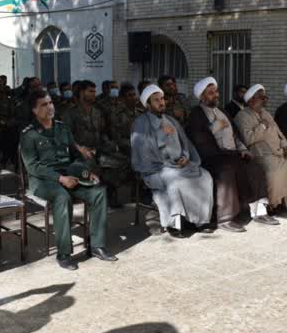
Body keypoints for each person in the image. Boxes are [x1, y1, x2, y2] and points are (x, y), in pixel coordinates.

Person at [20, 90, 116, 270]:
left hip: (68, 176)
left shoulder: (62, 128)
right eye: (44, 105)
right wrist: (60, 178)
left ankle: (97, 246)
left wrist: (86, 173)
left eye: (50, 103)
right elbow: (33, 167)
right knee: (62, 197)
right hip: (42, 181)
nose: (50, 107)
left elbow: (76, 155)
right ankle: (64, 254)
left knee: (98, 192)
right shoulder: (29, 134)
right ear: (34, 110)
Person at [187, 77, 274, 232]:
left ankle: (259, 211)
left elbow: (235, 136)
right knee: (226, 171)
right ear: (202, 96)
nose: (216, 95)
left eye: (216, 92)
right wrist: (214, 127)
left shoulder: (222, 111)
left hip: (232, 154)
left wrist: (243, 149)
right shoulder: (196, 114)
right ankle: (225, 218)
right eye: (211, 93)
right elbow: (198, 139)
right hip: (211, 157)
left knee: (256, 168)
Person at [131, 84, 214, 237]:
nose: (161, 102)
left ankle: (200, 220)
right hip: (156, 168)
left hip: (179, 165)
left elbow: (185, 143)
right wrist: (162, 135)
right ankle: (175, 224)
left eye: (162, 99)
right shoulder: (140, 124)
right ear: (147, 104)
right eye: (156, 100)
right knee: (176, 182)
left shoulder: (171, 120)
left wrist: (185, 156)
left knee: (205, 176)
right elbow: (143, 152)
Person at [234, 85, 287, 211]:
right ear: (251, 100)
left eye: (266, 97)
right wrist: (261, 127)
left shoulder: (266, 113)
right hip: (262, 154)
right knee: (274, 173)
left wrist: (286, 146)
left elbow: (279, 132)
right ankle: (271, 205)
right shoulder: (242, 116)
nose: (265, 100)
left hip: (279, 151)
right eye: (262, 97)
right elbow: (247, 139)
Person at [62, 81, 128, 208]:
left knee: (121, 161)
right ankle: (91, 196)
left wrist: (109, 144)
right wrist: (80, 149)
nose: (94, 94)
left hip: (97, 150)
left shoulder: (97, 112)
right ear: (82, 93)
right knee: (92, 165)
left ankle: (109, 191)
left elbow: (102, 132)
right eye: (91, 91)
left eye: (94, 91)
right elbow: (65, 138)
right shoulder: (70, 113)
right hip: (79, 153)